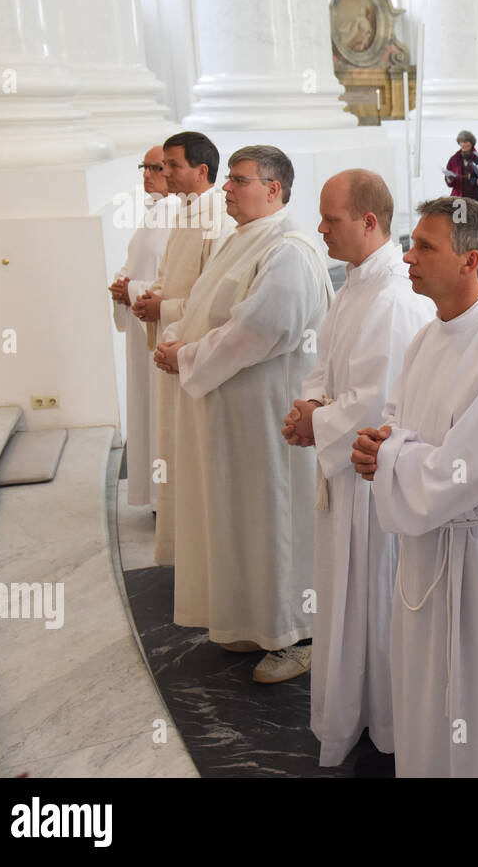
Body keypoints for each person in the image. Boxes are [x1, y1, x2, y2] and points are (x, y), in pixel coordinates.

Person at [352, 197, 478, 777]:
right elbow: (398, 424)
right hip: (423, 553)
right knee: (426, 699)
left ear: (469, 260)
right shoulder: (429, 336)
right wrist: (375, 447)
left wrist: (387, 455)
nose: (408, 256)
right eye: (411, 243)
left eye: (424, 246)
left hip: (475, 561)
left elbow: (460, 477)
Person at [156, 145, 333, 681]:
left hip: (269, 420)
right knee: (242, 521)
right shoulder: (243, 239)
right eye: (229, 179)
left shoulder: (290, 250)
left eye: (239, 180)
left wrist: (185, 354)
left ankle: (298, 634)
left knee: (277, 520)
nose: (226, 189)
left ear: (274, 188)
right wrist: (174, 336)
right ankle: (253, 621)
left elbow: (259, 329)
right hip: (232, 418)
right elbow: (201, 306)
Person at [285, 169, 435, 766]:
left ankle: (385, 721)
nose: (320, 229)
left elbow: (378, 401)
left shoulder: (395, 296)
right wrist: (312, 404)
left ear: (369, 222)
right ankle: (352, 713)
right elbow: (326, 365)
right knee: (345, 597)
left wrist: (314, 422)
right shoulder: (352, 287)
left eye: (331, 219)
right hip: (342, 468)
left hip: (372, 478)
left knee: (371, 599)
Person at [133, 131, 233, 565]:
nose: (165, 173)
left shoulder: (218, 219)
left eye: (172, 165)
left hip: (193, 353)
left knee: (194, 461)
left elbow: (214, 298)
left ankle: (201, 553)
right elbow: (171, 273)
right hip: (172, 345)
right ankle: (183, 550)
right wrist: (150, 297)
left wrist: (164, 307)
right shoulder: (186, 212)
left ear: (201, 170)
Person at [108, 146, 176, 510]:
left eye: (156, 167)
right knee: (145, 409)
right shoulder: (152, 214)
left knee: (160, 414)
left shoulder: (178, 215)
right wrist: (123, 286)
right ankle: (154, 495)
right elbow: (133, 265)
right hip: (141, 333)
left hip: (161, 331)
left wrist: (131, 289)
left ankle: (165, 498)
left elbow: (174, 282)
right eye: (144, 167)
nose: (147, 174)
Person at [444, 130, 478, 200]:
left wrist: (474, 178)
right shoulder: (454, 159)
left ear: (472, 143)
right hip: (457, 197)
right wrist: (449, 180)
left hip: (475, 197)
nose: (463, 144)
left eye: (466, 142)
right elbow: (449, 182)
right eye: (461, 142)